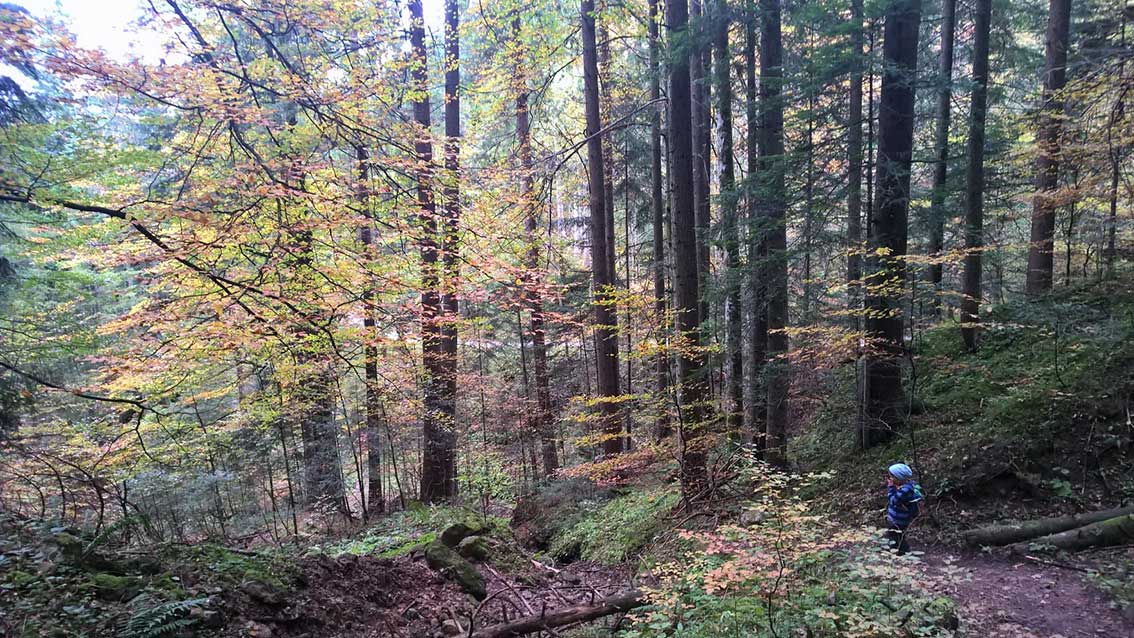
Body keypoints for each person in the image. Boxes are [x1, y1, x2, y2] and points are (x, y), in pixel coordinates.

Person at [884, 462, 923, 555]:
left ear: (899, 478)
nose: (890, 479)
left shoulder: (905, 490)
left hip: (898, 520)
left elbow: (893, 500)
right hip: (899, 519)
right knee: (898, 536)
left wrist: (891, 487)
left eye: (892, 477)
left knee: (896, 537)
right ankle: (901, 553)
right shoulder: (909, 485)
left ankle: (899, 555)